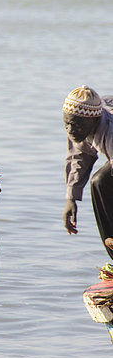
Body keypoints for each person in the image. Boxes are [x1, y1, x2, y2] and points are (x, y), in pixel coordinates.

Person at [62, 85, 113, 258]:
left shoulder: (110, 131)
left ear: (94, 120)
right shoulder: (80, 123)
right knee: (99, 183)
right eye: (66, 123)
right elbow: (78, 159)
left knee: (100, 181)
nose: (70, 130)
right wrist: (71, 198)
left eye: (75, 125)